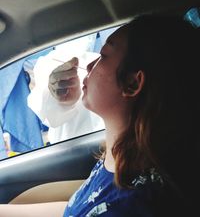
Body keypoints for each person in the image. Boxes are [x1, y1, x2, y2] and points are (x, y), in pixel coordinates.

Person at [0, 14, 199, 216]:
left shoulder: (134, 205)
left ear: (132, 84)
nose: (88, 66)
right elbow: (78, 208)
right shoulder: (123, 158)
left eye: (103, 55)